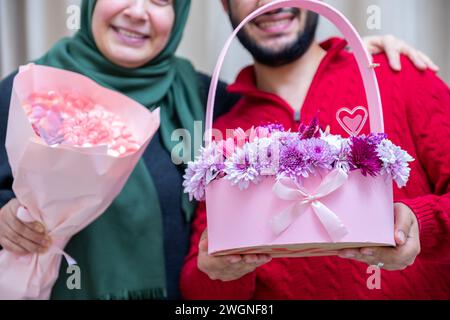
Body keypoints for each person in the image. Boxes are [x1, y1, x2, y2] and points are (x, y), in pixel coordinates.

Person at [0, 0, 437, 299]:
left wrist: (362, 53)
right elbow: (204, 275)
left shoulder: (208, 98)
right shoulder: (29, 90)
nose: (137, 12)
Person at [180, 0, 450, 299]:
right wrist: (222, 271)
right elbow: (198, 285)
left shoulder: (399, 75)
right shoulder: (226, 134)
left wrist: (421, 223)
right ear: (225, 5)